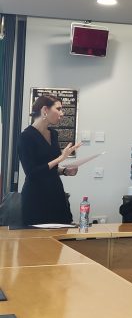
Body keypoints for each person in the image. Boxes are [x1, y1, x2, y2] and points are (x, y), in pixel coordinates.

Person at [19, 95, 82, 225]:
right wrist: (61, 158)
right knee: (37, 242)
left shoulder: (54, 134)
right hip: (36, 197)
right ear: (45, 110)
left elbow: (49, 168)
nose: (62, 113)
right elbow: (32, 173)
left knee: (62, 237)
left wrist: (64, 171)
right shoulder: (25, 137)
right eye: (58, 109)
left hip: (56, 192)